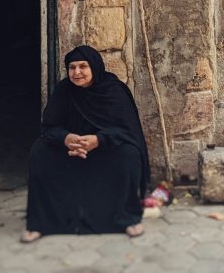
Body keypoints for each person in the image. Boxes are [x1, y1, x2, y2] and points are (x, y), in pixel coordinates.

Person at [22, 45, 150, 242]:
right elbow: (49, 127)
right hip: (71, 148)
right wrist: (66, 138)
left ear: (95, 67)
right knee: (39, 153)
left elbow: (128, 130)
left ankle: (127, 218)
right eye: (72, 67)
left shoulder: (114, 91)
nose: (77, 72)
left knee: (129, 154)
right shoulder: (65, 90)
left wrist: (98, 140)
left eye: (83, 66)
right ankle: (41, 222)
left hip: (105, 148)